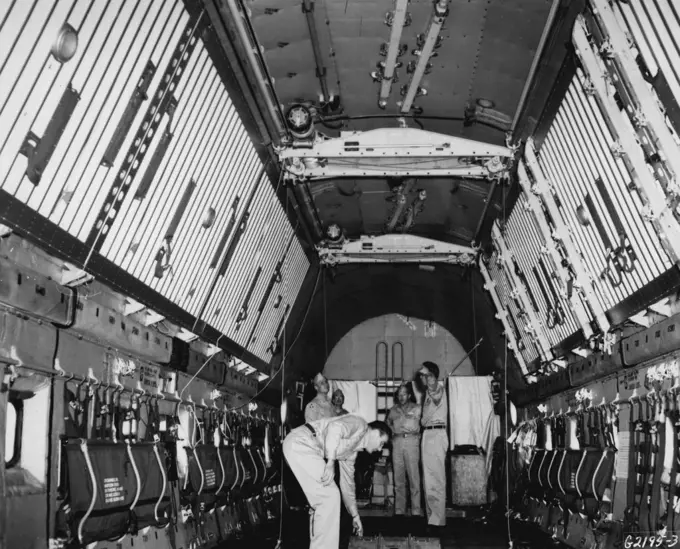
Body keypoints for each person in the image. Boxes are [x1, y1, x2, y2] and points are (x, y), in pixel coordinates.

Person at [283, 415, 392, 549]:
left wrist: (355, 515)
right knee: (330, 496)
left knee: (323, 500)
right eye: (381, 443)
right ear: (375, 432)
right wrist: (330, 462)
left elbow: (348, 485)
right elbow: (335, 427)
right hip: (301, 442)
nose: (380, 449)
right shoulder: (360, 425)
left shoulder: (351, 452)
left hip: (303, 447)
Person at [418, 361, 448, 533]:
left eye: (424, 374)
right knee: (428, 480)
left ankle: (437, 521)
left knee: (436, 479)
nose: (421, 378)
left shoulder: (435, 389)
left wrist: (431, 381)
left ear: (431, 376)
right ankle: (432, 518)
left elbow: (435, 393)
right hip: (428, 434)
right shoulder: (428, 393)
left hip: (436, 434)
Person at [386, 382, 422, 518]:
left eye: (404, 394)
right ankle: (399, 511)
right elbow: (387, 423)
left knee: (414, 478)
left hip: (412, 442)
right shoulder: (393, 410)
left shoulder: (417, 408)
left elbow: (424, 423)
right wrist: (391, 434)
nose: (401, 397)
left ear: (409, 395)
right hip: (397, 443)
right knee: (398, 478)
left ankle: (416, 511)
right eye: (399, 394)